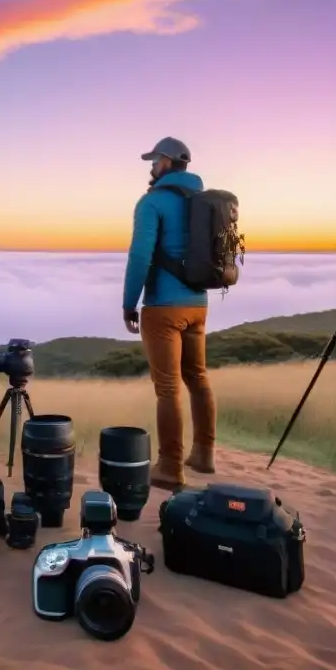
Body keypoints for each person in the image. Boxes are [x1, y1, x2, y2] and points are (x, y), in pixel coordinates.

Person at [121, 137, 217, 492]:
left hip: (163, 306)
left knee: (167, 388)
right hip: (199, 303)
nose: (150, 167)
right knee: (198, 377)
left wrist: (129, 302)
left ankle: (170, 467)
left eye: (154, 160)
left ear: (167, 162)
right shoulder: (203, 202)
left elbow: (140, 256)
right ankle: (204, 454)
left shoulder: (152, 202)